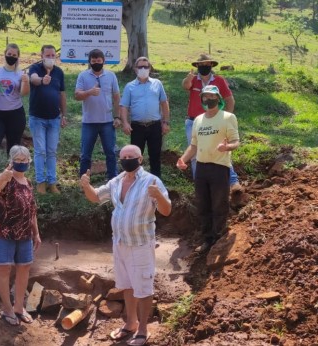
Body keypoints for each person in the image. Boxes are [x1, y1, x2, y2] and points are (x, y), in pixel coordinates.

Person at [80, 144, 171, 346]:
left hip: (140, 244)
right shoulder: (117, 181)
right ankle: (131, 323)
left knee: (143, 288)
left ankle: (143, 330)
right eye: (124, 156)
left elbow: (166, 211)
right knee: (127, 285)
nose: (127, 159)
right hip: (120, 243)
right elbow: (96, 197)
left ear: (140, 159)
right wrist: (86, 186)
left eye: (131, 156)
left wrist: (159, 196)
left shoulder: (152, 181)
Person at [176, 85, 240, 252]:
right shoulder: (198, 120)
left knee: (219, 204)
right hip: (202, 168)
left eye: (212, 97)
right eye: (205, 97)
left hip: (219, 167)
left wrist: (227, 147)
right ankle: (207, 239)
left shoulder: (228, 117)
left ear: (218, 98)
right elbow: (193, 146)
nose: (208, 100)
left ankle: (219, 238)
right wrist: (183, 159)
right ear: (202, 99)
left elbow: (236, 142)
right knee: (203, 204)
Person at [0, 145, 41, 326]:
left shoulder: (28, 182)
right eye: (17, 160)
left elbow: (32, 211)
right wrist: (2, 177)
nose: (21, 163)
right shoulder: (5, 178)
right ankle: (7, 309)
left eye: (24, 160)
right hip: (4, 232)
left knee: (24, 267)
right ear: (11, 160)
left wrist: (36, 233)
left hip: (24, 233)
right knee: (4, 269)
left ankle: (19, 307)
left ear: (29, 162)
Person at [181, 54, 241, 190]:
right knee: (195, 153)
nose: (204, 67)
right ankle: (200, 184)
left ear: (211, 66)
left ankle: (232, 181)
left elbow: (230, 99)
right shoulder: (193, 80)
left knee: (222, 150)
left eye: (207, 65)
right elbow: (185, 86)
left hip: (215, 120)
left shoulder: (219, 81)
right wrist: (189, 78)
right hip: (194, 122)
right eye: (201, 65)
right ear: (197, 66)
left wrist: (226, 118)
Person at [0, 43, 30, 181]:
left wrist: (26, 81)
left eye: (14, 55)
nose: (11, 57)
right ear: (5, 54)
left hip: (15, 115)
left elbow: (23, 93)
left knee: (13, 147)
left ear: (18, 57)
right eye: (9, 54)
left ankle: (12, 176)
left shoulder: (21, 73)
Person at [120, 57, 170, 178]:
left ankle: (156, 185)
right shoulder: (129, 86)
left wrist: (166, 122)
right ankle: (135, 181)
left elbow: (164, 103)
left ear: (150, 68)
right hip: (137, 127)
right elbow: (124, 106)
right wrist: (125, 123)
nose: (143, 69)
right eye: (140, 67)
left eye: (146, 67)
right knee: (135, 157)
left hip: (155, 126)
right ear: (135, 69)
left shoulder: (157, 84)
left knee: (155, 157)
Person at [75, 49, 121, 181]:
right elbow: (77, 95)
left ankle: (113, 179)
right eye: (93, 61)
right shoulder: (83, 76)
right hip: (89, 122)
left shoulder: (111, 76)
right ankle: (84, 180)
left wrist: (117, 117)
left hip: (107, 121)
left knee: (111, 153)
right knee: (85, 154)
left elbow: (117, 97)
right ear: (89, 62)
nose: (96, 63)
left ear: (103, 61)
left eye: (99, 61)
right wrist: (89, 92)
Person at [28, 44, 67, 194]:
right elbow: (33, 79)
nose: (50, 58)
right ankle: (40, 182)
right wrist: (42, 80)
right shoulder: (35, 69)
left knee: (51, 151)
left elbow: (62, 94)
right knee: (40, 151)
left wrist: (64, 114)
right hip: (37, 118)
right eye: (47, 55)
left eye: (53, 56)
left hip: (54, 119)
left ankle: (52, 182)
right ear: (41, 56)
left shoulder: (59, 72)